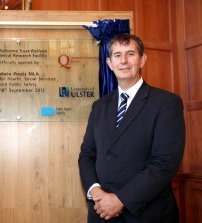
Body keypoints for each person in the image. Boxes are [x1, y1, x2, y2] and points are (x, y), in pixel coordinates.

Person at [78, 33, 185, 223]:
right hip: (101, 213)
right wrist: (95, 191)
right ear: (109, 63)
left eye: (130, 54)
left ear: (142, 59)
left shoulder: (166, 103)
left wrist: (120, 200)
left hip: (147, 215)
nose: (124, 61)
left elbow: (164, 164)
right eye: (117, 55)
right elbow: (87, 155)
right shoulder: (99, 106)